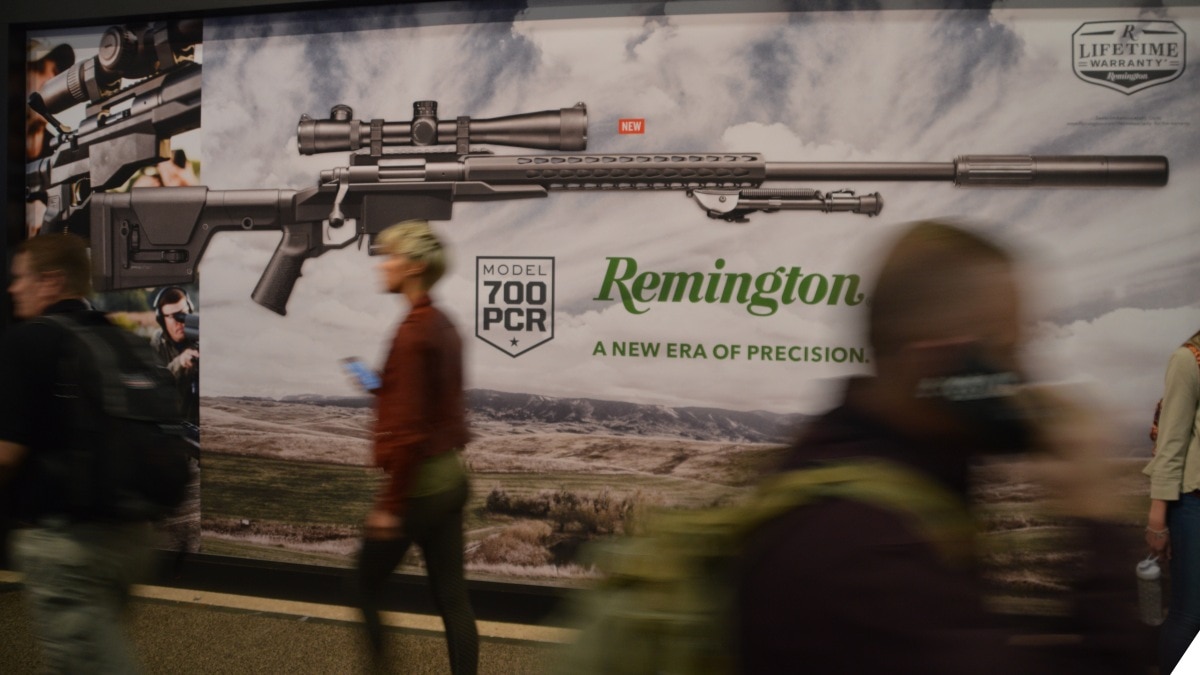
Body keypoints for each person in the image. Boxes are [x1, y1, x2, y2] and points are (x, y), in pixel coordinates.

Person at [735, 220, 1138, 674]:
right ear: (937, 355)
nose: (1024, 375)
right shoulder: (866, 562)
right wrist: (1093, 510)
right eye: (1008, 349)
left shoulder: (855, 459)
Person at [0, 233, 154, 672]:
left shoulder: (27, 342)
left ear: (49, 282)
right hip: (132, 541)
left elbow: (6, 455)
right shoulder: (122, 341)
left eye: (20, 279)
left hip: (68, 547)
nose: (13, 289)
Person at [353, 220, 478, 674]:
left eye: (390, 256)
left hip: (418, 491)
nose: (382, 265)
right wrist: (372, 382)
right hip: (451, 481)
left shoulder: (411, 332)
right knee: (452, 599)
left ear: (415, 266)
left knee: (364, 588)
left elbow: (407, 433)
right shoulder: (443, 324)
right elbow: (423, 400)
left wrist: (389, 505)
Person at [1144, 329, 1200, 674]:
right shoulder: (1189, 359)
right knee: (1191, 616)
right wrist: (1157, 519)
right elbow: (1171, 442)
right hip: (1195, 505)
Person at [151, 285, 200, 427]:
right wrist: (181, 363)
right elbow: (157, 385)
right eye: (173, 317)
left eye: (183, 314)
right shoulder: (159, 342)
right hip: (174, 422)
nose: (180, 322)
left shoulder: (202, 334)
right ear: (162, 320)